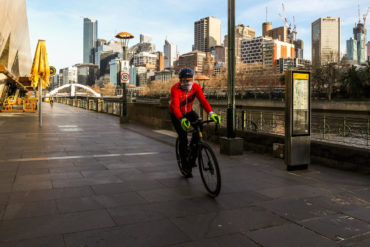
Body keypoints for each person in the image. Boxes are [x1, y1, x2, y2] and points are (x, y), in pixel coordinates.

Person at [169, 68, 220, 177]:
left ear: (192, 79)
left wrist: (211, 113)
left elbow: (203, 101)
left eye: (189, 80)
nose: (187, 82)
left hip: (189, 111)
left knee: (199, 127)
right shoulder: (175, 89)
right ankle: (184, 164)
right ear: (180, 80)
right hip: (176, 113)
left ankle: (193, 151)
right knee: (182, 137)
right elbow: (175, 107)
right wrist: (181, 119)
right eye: (184, 80)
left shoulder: (196, 87)